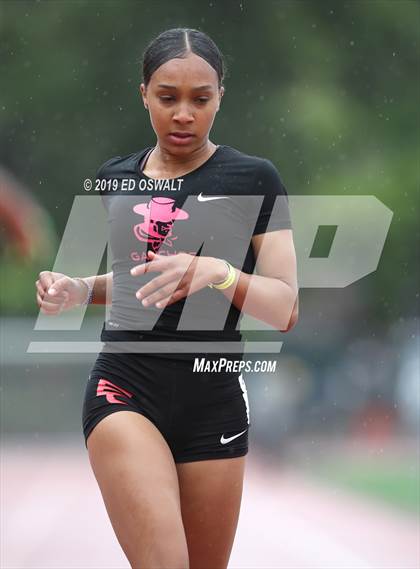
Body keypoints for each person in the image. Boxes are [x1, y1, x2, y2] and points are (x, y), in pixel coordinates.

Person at [35, 27, 299, 569]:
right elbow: (137, 283)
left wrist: (217, 272)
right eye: (168, 97)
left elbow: (284, 307)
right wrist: (81, 288)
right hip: (126, 388)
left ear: (221, 95)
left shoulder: (254, 179)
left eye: (200, 100)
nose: (184, 114)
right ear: (143, 95)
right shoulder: (115, 180)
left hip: (214, 397)